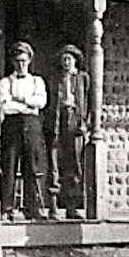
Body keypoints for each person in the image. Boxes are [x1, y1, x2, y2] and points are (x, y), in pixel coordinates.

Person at [0, 41, 48, 221]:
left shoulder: (37, 81)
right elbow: (5, 106)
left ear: (29, 61)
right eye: (17, 61)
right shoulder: (5, 82)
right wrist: (27, 104)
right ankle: (6, 208)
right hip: (11, 126)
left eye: (24, 61)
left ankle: (31, 208)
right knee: (9, 166)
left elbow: (41, 102)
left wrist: (22, 99)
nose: (21, 65)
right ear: (12, 62)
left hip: (32, 125)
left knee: (32, 168)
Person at [44, 43, 91, 220]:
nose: (66, 63)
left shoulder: (83, 78)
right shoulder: (55, 79)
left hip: (75, 121)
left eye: (69, 59)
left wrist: (85, 122)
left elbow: (89, 102)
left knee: (74, 165)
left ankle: (72, 206)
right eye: (63, 59)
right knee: (54, 162)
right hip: (57, 119)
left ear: (75, 61)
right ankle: (54, 207)